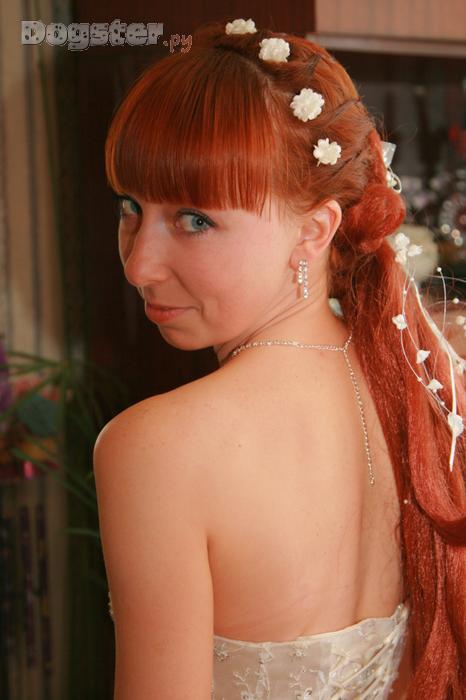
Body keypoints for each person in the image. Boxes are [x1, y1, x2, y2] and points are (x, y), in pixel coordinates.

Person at [93, 18, 466, 699]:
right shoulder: (415, 382)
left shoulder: (157, 447)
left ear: (315, 229)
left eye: (195, 220)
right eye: (131, 207)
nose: (140, 264)